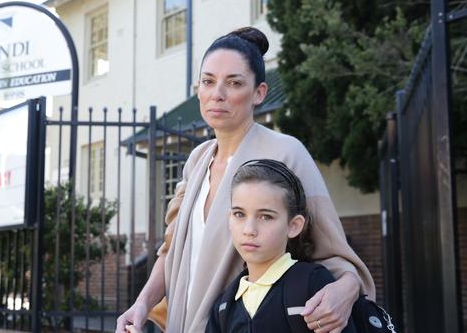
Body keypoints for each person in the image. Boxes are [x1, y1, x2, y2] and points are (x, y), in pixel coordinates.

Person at [115, 27, 375, 333]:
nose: (218, 94)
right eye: (208, 82)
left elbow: (333, 251)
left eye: (234, 83)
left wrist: (345, 290)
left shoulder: (286, 152)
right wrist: (142, 304)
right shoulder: (197, 160)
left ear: (259, 92)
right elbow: (171, 252)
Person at [205, 159, 356, 332]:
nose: (249, 230)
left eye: (266, 217)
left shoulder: (313, 284)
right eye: (239, 214)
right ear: (229, 219)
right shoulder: (223, 306)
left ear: (294, 226)